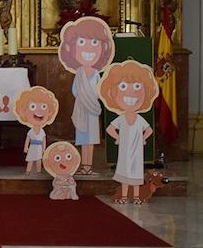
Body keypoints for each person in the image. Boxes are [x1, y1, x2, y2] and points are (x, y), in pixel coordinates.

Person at [57, 16, 115, 175]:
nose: (89, 48)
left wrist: (92, 97)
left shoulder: (96, 73)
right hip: (82, 109)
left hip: (93, 110)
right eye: (82, 43)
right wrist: (84, 98)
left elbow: (100, 89)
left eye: (95, 43)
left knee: (91, 141)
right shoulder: (79, 73)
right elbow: (75, 91)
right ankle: (84, 167)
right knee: (83, 141)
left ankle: (89, 166)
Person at [99, 60, 159, 204]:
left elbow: (149, 129)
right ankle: (124, 196)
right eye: (124, 86)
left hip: (137, 152)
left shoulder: (139, 119)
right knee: (125, 173)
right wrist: (118, 137)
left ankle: (137, 196)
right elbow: (109, 128)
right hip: (125, 151)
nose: (131, 92)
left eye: (137, 87)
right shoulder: (121, 118)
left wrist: (144, 138)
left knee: (136, 173)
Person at [13, 86, 59, 176]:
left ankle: (38, 171)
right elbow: (28, 139)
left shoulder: (42, 132)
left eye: (43, 106)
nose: (39, 111)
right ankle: (28, 171)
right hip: (32, 147)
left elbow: (44, 140)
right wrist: (26, 147)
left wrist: (44, 149)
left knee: (38, 160)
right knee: (30, 159)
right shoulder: (31, 131)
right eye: (33, 106)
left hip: (38, 147)